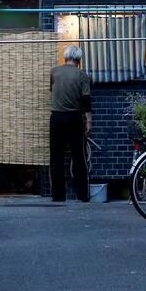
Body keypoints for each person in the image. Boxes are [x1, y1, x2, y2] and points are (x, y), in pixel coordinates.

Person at [49, 45, 92, 202]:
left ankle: (58, 195)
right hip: (74, 118)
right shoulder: (83, 75)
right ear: (79, 59)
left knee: (56, 158)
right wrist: (89, 121)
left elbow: (52, 91)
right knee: (79, 157)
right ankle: (82, 195)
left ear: (65, 57)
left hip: (56, 118)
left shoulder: (54, 72)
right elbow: (86, 101)